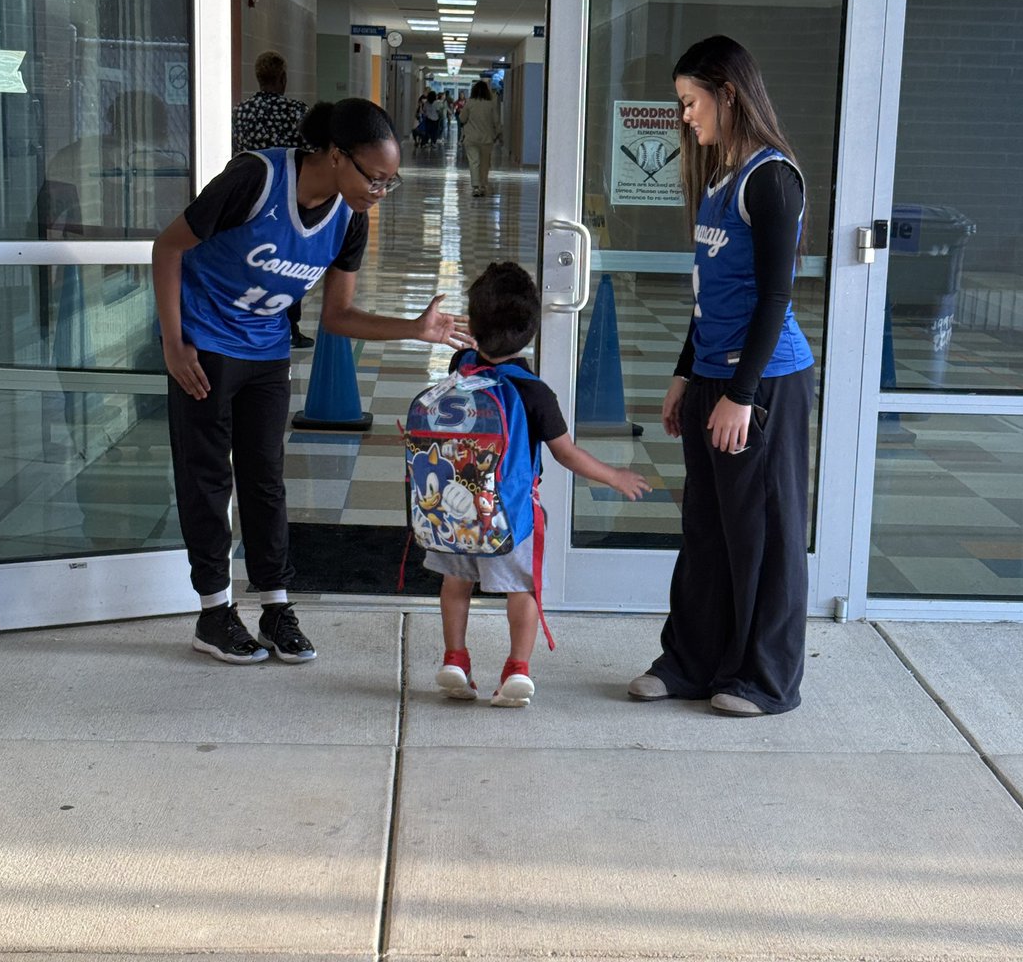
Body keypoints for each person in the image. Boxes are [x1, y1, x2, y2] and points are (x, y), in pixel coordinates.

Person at [153, 97, 472, 666]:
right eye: (375, 177)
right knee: (207, 480)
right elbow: (169, 246)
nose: (380, 191)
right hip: (205, 347)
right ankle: (213, 612)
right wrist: (174, 343)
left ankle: (275, 605)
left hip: (266, 352)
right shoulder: (256, 180)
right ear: (335, 155)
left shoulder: (350, 217)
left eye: (389, 182)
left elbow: (338, 317)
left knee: (265, 479)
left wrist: (414, 329)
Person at [628, 36, 815, 717]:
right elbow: (712, 295)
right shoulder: (717, 178)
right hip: (715, 378)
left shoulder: (772, 178)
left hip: (764, 384)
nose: (684, 116)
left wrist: (740, 394)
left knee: (762, 533)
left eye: (691, 101)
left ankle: (764, 679)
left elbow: (774, 298)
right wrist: (686, 375)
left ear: (727, 94)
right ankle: (690, 663)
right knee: (706, 530)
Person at [425, 261, 651, 707]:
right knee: (523, 588)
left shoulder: (460, 365)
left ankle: (455, 659)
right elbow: (566, 453)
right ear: (531, 332)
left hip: (455, 508)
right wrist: (614, 475)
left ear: (475, 327)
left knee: (456, 583)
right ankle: (517, 669)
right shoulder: (534, 393)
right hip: (509, 513)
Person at [231, 50, 314, 348]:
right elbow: (309, 154)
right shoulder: (297, 112)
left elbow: (235, 151)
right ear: (283, 78)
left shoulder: (240, 112)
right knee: (289, 261)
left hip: (248, 195)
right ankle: (291, 327)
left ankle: (249, 320)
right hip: (288, 197)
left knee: (252, 258)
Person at [457, 79, 502, 197]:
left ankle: (475, 187)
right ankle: (483, 185)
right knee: (485, 163)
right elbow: (496, 121)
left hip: (471, 138)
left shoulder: (469, 103)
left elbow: (462, 119)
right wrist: (497, 134)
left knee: (474, 162)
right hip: (487, 139)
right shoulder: (491, 104)